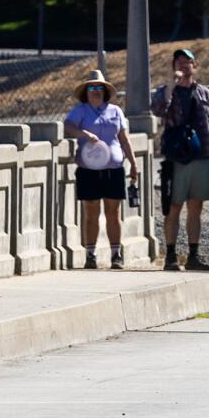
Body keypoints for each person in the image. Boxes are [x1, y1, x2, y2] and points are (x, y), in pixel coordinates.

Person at [150, 46, 209, 272]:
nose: (184, 66)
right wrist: (171, 85)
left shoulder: (205, 93)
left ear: (195, 66)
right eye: (179, 62)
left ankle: (193, 255)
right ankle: (171, 256)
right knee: (174, 206)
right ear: (173, 66)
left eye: (188, 62)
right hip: (177, 158)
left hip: (202, 154)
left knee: (196, 207)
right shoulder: (167, 90)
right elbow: (157, 109)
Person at [61, 68, 139, 269]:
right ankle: (91, 255)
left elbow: (123, 138)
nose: (95, 91)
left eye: (99, 87)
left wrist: (133, 163)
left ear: (104, 91)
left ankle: (116, 254)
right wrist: (84, 134)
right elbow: (67, 126)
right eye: (91, 87)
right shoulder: (81, 111)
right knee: (91, 212)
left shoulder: (115, 111)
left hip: (113, 167)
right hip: (89, 168)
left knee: (113, 212)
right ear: (86, 92)